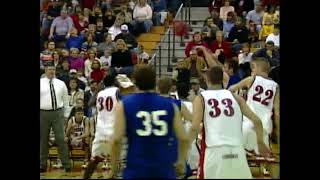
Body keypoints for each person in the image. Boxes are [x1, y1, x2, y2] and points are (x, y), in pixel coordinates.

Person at [188, 66, 270, 178]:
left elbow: (194, 128)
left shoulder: (201, 98)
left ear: (207, 80)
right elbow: (256, 120)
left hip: (214, 150)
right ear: (222, 80)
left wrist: (184, 148)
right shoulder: (235, 97)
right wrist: (260, 142)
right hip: (237, 150)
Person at [109, 65, 189, 178]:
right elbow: (184, 138)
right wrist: (181, 161)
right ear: (154, 81)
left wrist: (113, 168)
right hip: (164, 169)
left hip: (136, 169)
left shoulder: (124, 104)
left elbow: (116, 140)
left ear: (134, 82)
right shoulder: (171, 105)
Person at [229, 57, 280, 178]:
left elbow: (230, 90)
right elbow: (277, 113)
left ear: (255, 67)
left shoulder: (252, 79)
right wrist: (277, 134)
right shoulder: (276, 86)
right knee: (267, 160)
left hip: (248, 125)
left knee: (234, 154)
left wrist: (240, 99)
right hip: (265, 127)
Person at [83, 69, 123, 179]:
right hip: (114, 129)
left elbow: (90, 103)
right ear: (115, 82)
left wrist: (98, 90)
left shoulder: (100, 93)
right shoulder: (117, 91)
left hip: (100, 130)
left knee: (94, 159)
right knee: (117, 159)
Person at [40, 63, 71, 173]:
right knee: (43, 140)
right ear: (45, 71)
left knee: (61, 139)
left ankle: (66, 164)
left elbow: (66, 100)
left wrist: (66, 115)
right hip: (43, 113)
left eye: (53, 69)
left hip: (58, 113)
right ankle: (42, 165)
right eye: (49, 69)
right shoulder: (40, 83)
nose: (51, 71)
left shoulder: (61, 83)